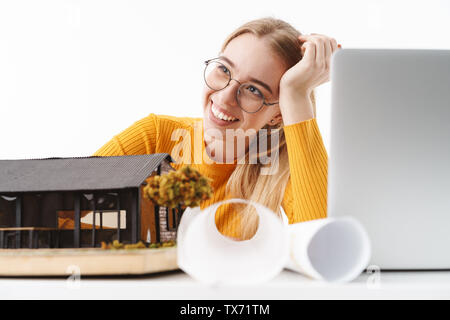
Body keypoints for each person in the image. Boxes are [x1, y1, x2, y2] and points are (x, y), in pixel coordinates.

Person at [93, 17, 339, 241]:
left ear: (277, 115)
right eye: (224, 70)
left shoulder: (278, 165)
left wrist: (296, 96)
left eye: (254, 89)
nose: (224, 97)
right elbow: (63, 210)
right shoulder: (155, 136)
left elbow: (325, 246)